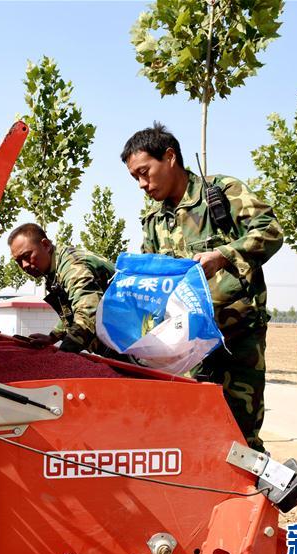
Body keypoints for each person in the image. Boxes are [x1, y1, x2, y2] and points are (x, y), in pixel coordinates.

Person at [121, 122, 283, 452]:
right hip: (190, 346)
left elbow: (271, 230)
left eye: (144, 172)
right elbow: (156, 278)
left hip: (237, 339)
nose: (141, 184)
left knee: (241, 434)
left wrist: (223, 256)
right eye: (135, 177)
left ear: (169, 157)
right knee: (197, 433)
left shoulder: (221, 192)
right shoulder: (155, 219)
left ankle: (252, 500)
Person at [8, 223, 117, 357]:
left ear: (46, 245)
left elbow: (88, 313)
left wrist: (63, 354)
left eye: (27, 256)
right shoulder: (55, 268)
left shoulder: (72, 267)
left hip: (134, 344)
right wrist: (52, 337)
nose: (24, 265)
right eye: (18, 261)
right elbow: (72, 309)